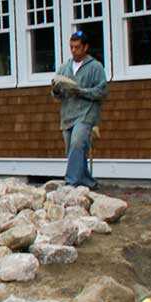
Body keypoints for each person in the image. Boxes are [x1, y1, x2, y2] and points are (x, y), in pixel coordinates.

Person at [50, 29, 106, 188]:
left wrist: (81, 92)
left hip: (86, 114)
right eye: (71, 47)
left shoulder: (95, 67)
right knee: (74, 151)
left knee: (77, 143)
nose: (74, 50)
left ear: (86, 47)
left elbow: (102, 91)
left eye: (77, 47)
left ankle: (71, 182)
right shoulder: (64, 68)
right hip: (68, 115)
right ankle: (89, 182)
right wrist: (56, 90)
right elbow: (56, 96)